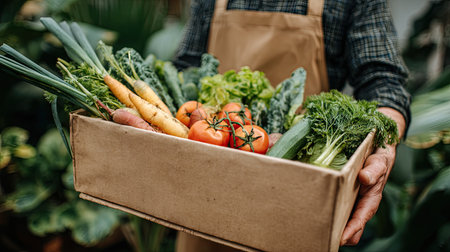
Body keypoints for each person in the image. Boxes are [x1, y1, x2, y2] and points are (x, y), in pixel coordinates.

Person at [173, 0, 410, 250]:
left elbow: (384, 83)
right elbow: (188, 67)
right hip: (206, 203)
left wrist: (384, 148)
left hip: (302, 203)